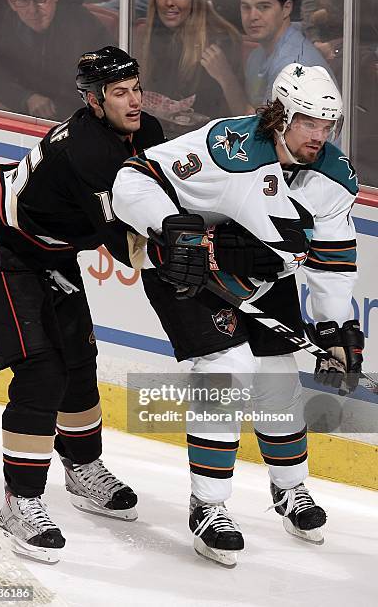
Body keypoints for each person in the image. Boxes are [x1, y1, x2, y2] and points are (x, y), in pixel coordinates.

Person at [112, 64, 364, 567]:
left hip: (259, 270)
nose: (320, 135)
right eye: (310, 121)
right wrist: (168, 226)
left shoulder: (333, 176)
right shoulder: (227, 147)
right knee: (228, 369)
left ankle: (291, 490)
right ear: (282, 115)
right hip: (184, 267)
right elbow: (132, 178)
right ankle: (208, 506)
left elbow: (333, 261)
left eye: (328, 125)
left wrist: (338, 328)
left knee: (276, 374)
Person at [0, 46, 164, 563]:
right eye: (119, 93)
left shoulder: (148, 133)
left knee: (79, 362)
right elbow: (125, 247)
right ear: (93, 101)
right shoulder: (86, 151)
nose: (133, 101)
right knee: (41, 371)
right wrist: (184, 252)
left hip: (47, 250)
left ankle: (81, 468)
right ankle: (21, 499)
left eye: (136, 88)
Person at [0, 0, 115, 119]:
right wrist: (24, 98)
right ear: (11, 2)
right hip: (19, 118)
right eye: (22, 0)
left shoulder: (86, 28)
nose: (33, 10)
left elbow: (110, 84)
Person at [137, 0, 247, 137]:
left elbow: (232, 115)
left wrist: (225, 76)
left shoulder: (221, 39)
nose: (169, 2)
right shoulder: (151, 33)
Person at [240, 0, 334, 108]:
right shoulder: (258, 53)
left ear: (286, 8)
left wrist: (226, 79)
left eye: (264, 7)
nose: (253, 16)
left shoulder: (291, 66)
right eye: (246, 7)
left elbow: (264, 124)